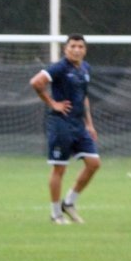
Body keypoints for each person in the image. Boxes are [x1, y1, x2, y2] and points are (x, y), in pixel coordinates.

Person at [29, 34, 101, 224]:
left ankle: (68, 202)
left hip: (79, 125)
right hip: (61, 124)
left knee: (94, 163)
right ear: (65, 49)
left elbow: (83, 97)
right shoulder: (59, 67)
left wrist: (90, 124)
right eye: (73, 46)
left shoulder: (85, 68)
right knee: (59, 169)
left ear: (85, 50)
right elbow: (36, 82)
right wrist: (53, 103)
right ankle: (55, 213)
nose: (77, 50)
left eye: (80, 46)